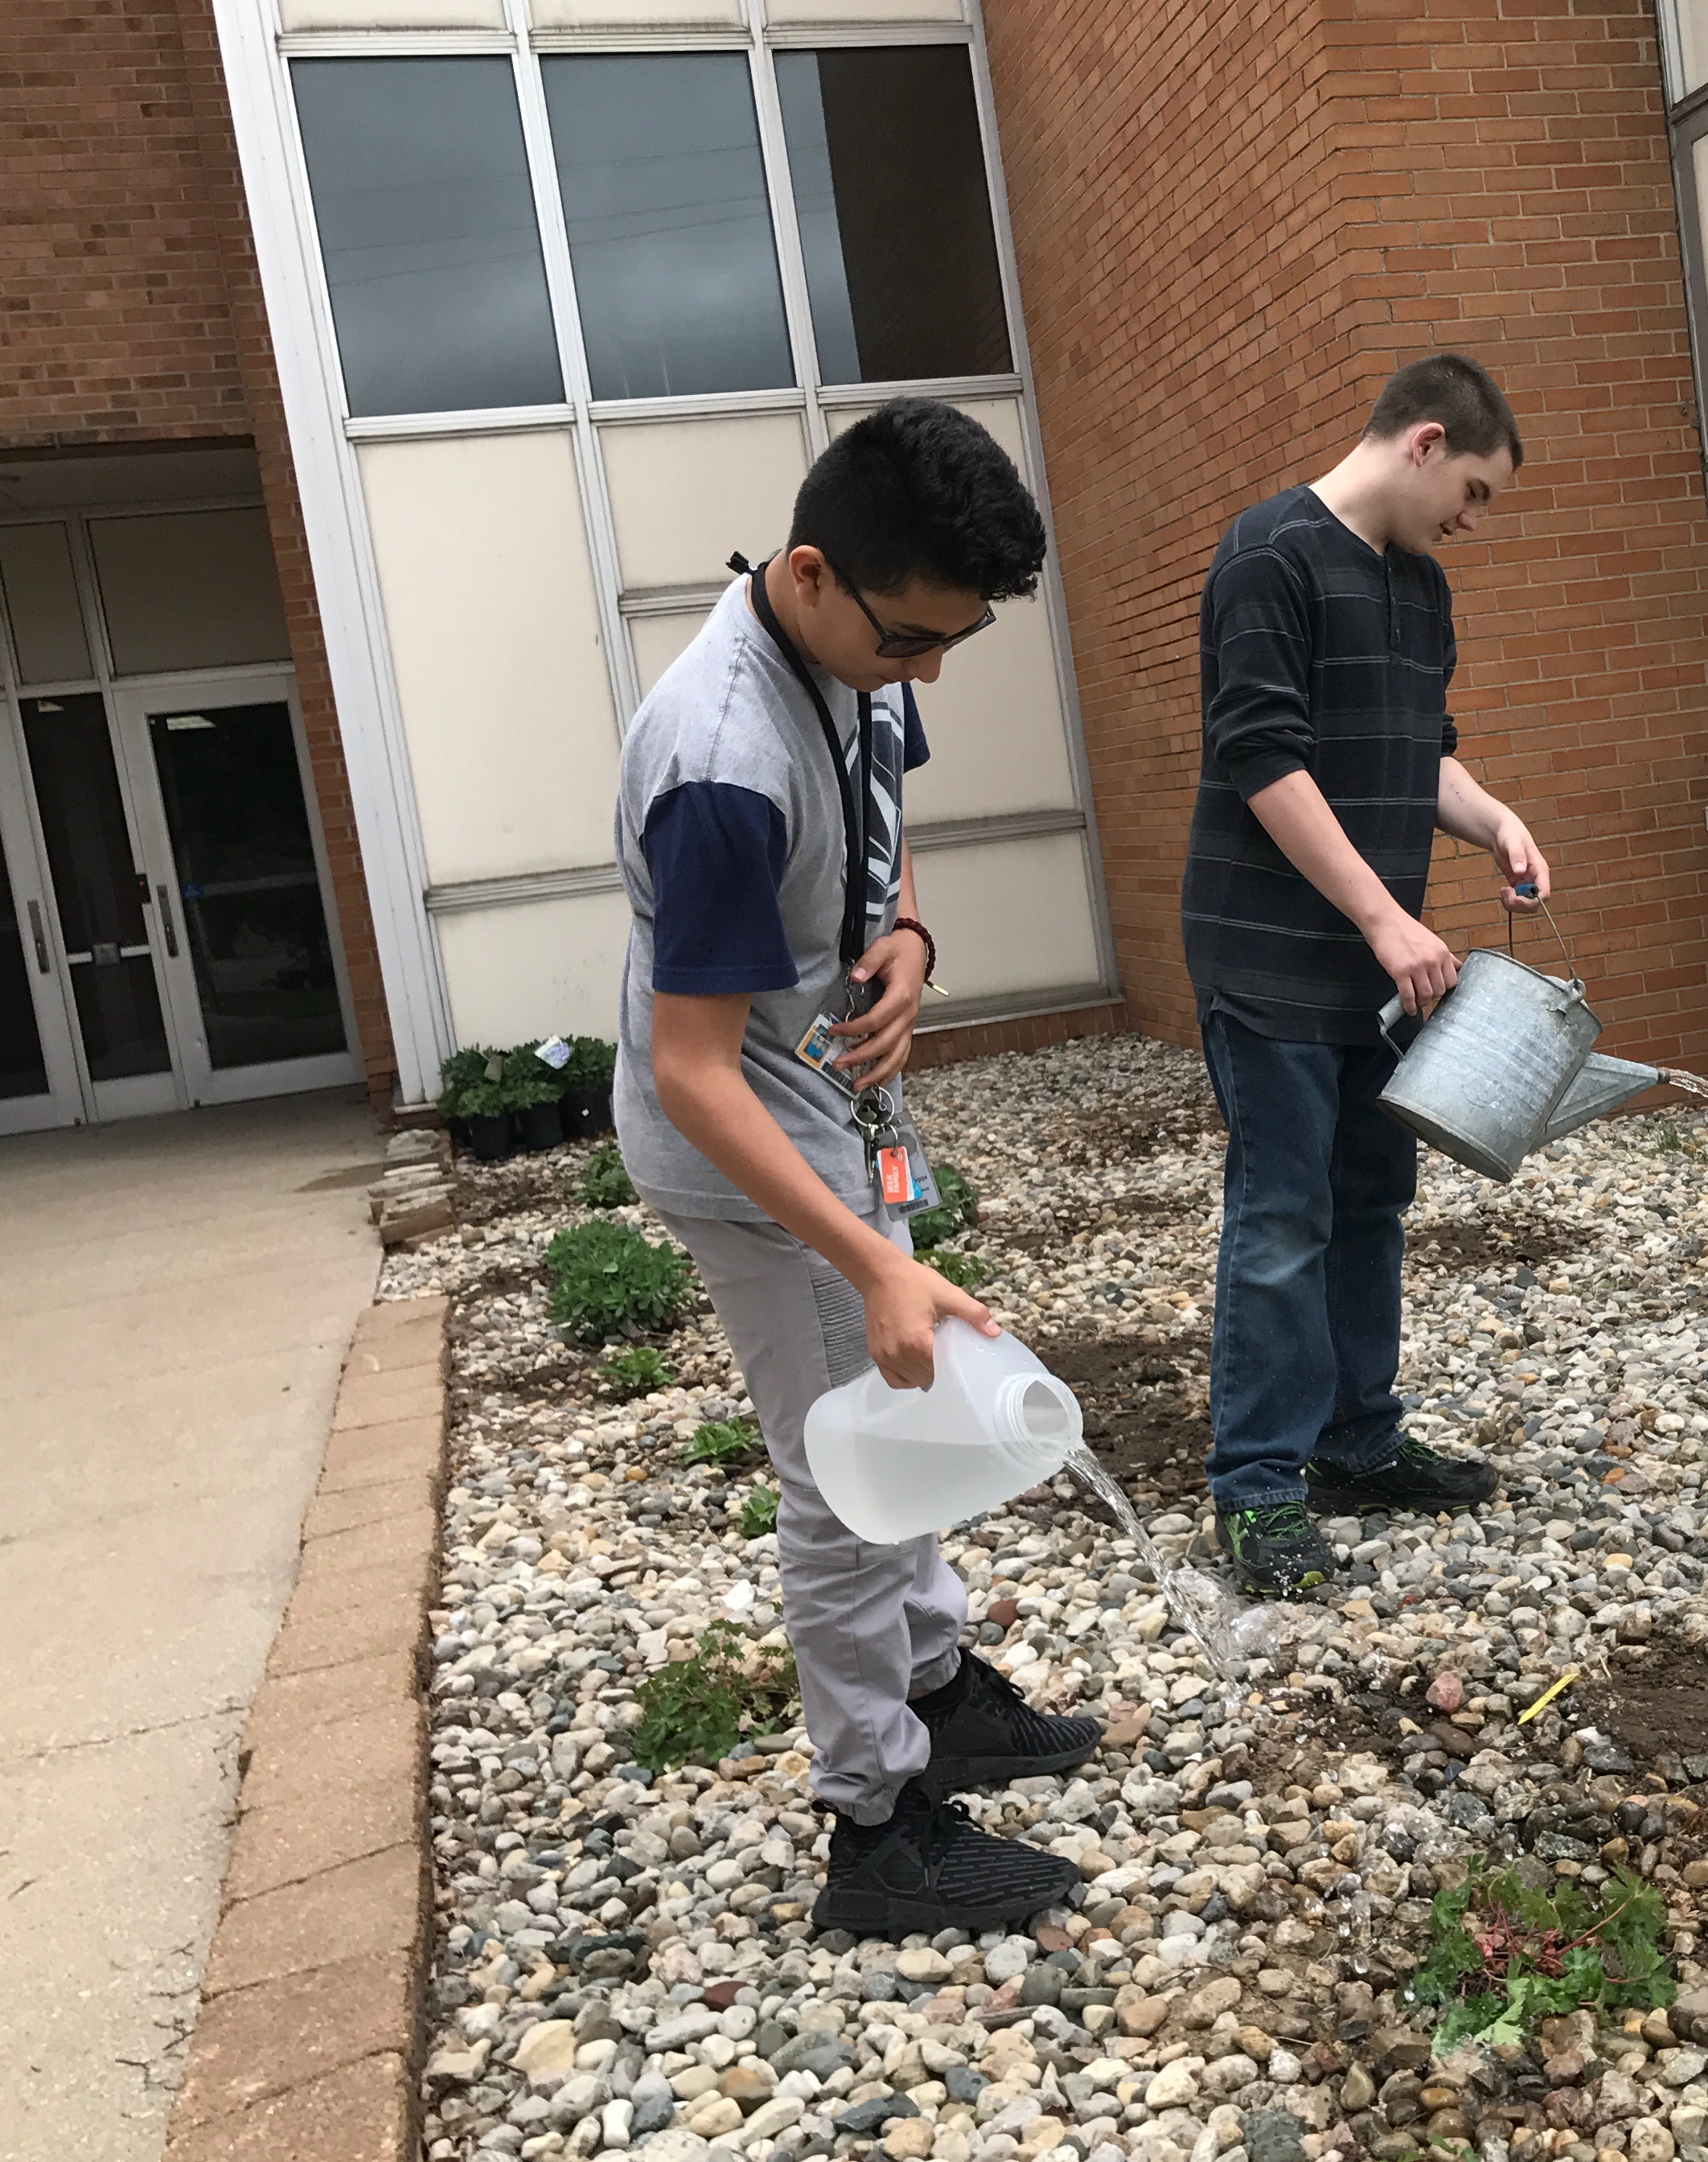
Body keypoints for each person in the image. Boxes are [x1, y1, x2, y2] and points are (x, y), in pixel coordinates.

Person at [614, 398, 1099, 1938]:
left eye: (955, 643)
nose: (931, 674)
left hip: (828, 1109)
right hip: (748, 1151)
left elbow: (887, 833)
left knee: (900, 1422)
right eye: (913, 642)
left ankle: (938, 1686)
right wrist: (872, 1257)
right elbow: (692, 1069)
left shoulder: (866, 655)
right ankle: (878, 1827)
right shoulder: (718, 764)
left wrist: (905, 936)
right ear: (814, 576)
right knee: (844, 1477)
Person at [1180, 352, 1550, 1596]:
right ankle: (1256, 1493)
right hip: (1271, 962)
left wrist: (1494, 819)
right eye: (1478, 494)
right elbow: (1265, 763)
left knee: (1371, 1206)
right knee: (1283, 1218)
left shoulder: (1421, 594)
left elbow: (1418, 755)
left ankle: (1356, 1445)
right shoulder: (1266, 558)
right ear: (1426, 442)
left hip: (1381, 981)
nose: (1472, 521)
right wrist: (1390, 918)